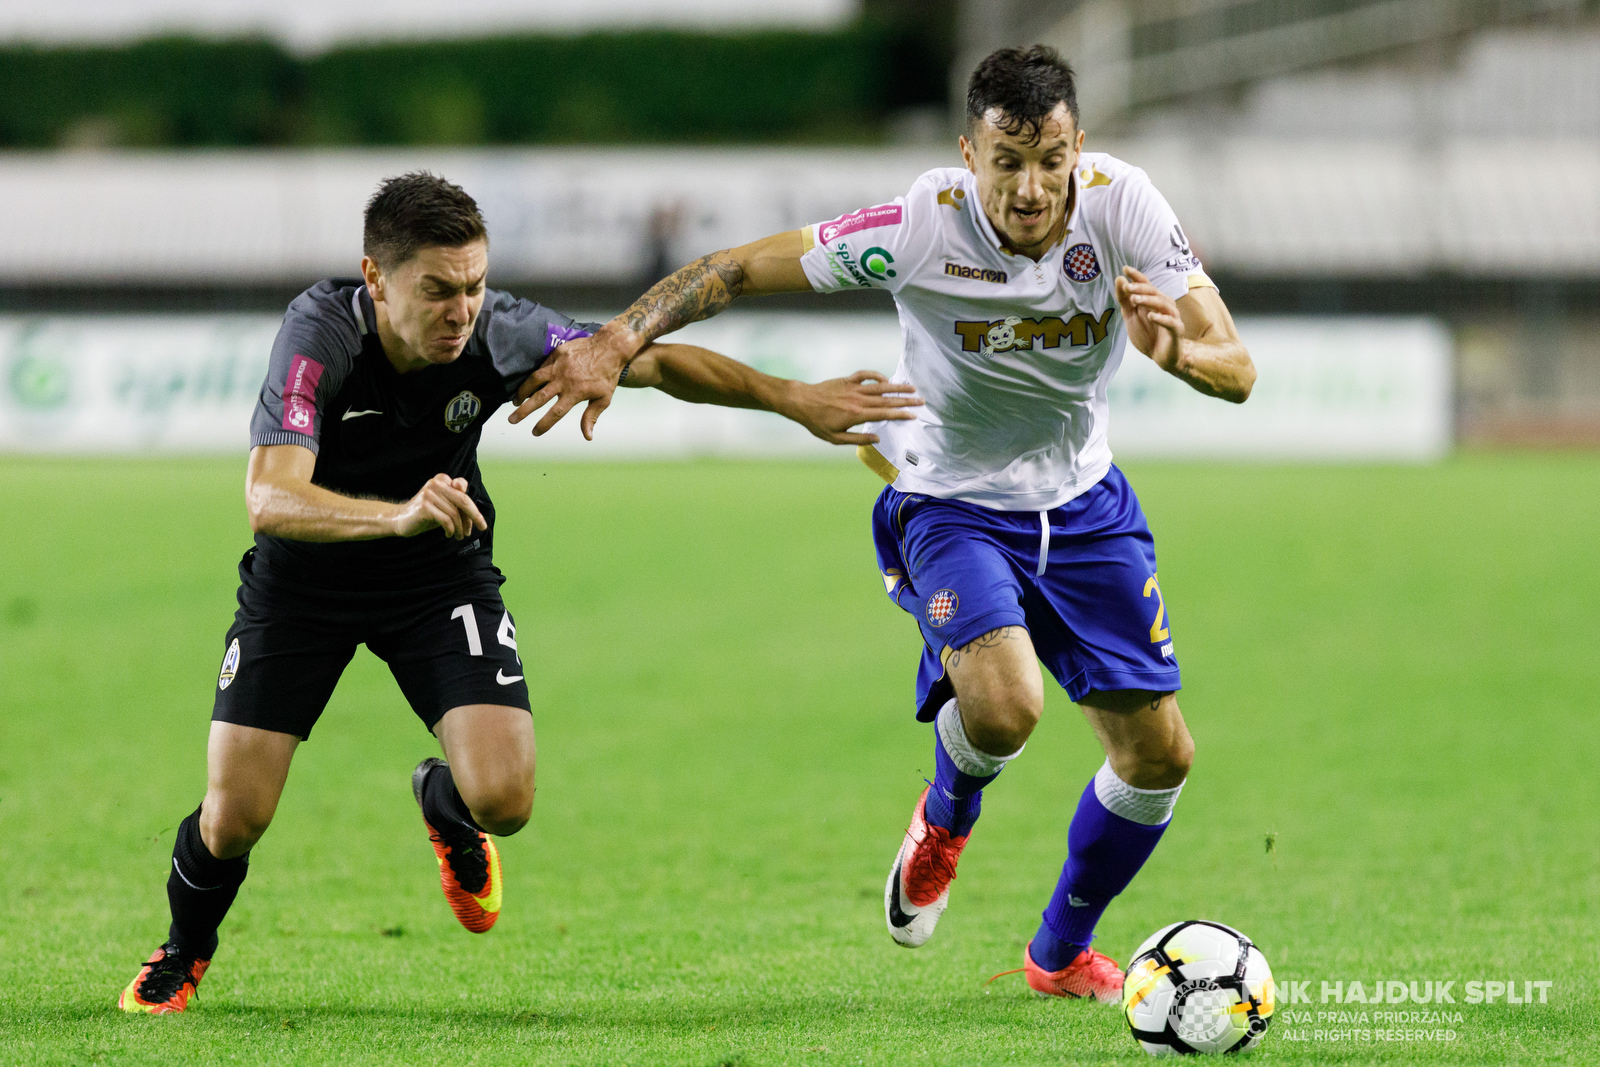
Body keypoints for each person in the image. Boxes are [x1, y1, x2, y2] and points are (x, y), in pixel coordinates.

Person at [512, 46, 1256, 1004]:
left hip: (1083, 507)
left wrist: (1179, 353)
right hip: (948, 502)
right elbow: (735, 269)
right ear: (968, 154)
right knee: (1004, 706)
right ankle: (946, 814)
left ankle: (1061, 952)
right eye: (1007, 163)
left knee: (1160, 759)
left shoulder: (1127, 207)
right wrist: (616, 338)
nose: (1032, 189)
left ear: (1080, 149)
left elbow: (1235, 366)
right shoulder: (917, 227)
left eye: (1052, 161)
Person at [118, 171, 920, 1014]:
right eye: (436, 291)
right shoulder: (318, 335)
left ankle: (444, 799)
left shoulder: (498, 331)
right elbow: (268, 497)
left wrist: (792, 398)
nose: (460, 310)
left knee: (506, 798)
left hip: (438, 573)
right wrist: (393, 517)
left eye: (473, 285)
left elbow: (647, 361)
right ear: (375, 279)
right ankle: (184, 949)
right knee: (235, 817)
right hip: (303, 582)